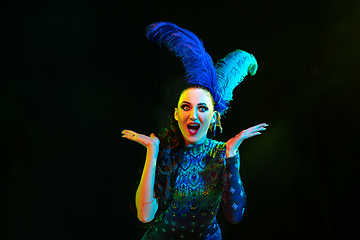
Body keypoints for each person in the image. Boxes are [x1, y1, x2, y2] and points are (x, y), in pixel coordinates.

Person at [122, 22, 268, 240]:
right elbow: (145, 216)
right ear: (176, 114)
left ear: (213, 118)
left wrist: (231, 157)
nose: (193, 115)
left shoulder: (222, 152)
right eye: (186, 107)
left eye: (202, 108)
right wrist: (152, 151)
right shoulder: (165, 149)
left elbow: (235, 215)